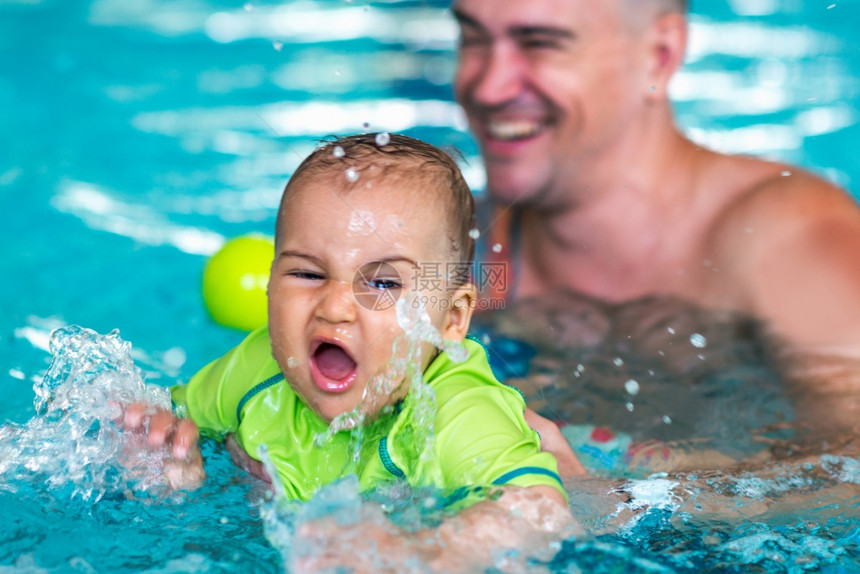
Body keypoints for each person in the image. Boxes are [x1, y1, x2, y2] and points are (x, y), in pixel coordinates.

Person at [123, 133, 582, 572]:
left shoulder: (456, 405)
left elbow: (540, 513)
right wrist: (160, 445)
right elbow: (168, 416)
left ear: (452, 319)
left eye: (383, 283)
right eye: (307, 274)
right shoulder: (256, 368)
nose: (336, 307)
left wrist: (419, 554)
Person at [452, 0, 860, 359]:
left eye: (540, 43)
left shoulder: (789, 239)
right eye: (472, 38)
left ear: (658, 57)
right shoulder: (455, 248)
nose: (488, 89)